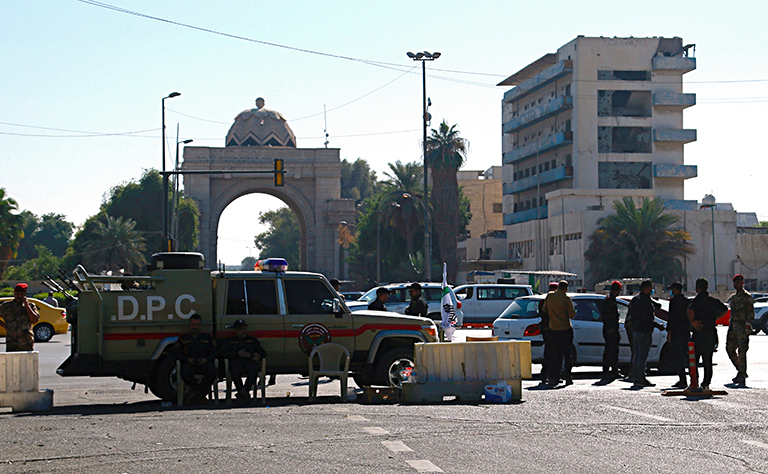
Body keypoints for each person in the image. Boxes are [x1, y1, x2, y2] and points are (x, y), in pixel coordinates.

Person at [688, 278, 728, 391]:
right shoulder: (713, 301)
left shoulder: (696, 301)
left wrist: (692, 323)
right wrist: (715, 318)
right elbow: (725, 309)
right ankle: (705, 384)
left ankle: (694, 383)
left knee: (694, 360)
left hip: (698, 333)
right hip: (710, 333)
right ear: (707, 287)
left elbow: (689, 311)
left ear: (697, 288)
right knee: (707, 361)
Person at [174, 314, 218, 403]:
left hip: (204, 363)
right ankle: (200, 394)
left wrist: (206, 359)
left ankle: (195, 393)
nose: (195, 327)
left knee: (213, 371)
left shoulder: (207, 338)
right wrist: (187, 360)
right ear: (189, 325)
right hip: (190, 364)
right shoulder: (183, 339)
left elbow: (215, 352)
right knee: (185, 371)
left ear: (200, 326)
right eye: (193, 325)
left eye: (197, 325)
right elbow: (176, 353)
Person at [221, 319, 267, 405]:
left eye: (244, 329)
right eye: (241, 329)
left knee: (254, 368)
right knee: (234, 369)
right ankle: (242, 392)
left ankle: (243, 391)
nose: (243, 331)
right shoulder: (231, 341)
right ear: (236, 330)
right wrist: (238, 354)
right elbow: (223, 353)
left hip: (249, 363)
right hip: (237, 362)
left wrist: (258, 356)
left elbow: (263, 353)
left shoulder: (252, 340)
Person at [541, 280, 575, 387]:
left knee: (555, 355)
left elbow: (544, 309)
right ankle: (568, 377)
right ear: (566, 289)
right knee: (567, 354)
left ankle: (554, 377)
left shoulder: (550, 297)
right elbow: (572, 315)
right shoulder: (566, 299)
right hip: (565, 329)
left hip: (553, 329)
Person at [628, 280, 658, 388]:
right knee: (642, 356)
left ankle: (637, 377)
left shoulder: (635, 299)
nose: (651, 290)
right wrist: (657, 325)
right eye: (650, 288)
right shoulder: (644, 301)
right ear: (646, 288)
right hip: (643, 331)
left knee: (637, 355)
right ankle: (640, 378)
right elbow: (646, 318)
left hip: (636, 330)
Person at [726, 274, 754, 386]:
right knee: (729, 349)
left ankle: (741, 375)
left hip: (742, 328)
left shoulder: (747, 297)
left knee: (742, 351)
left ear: (742, 283)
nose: (736, 284)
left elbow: (751, 313)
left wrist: (748, 326)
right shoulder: (733, 298)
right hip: (733, 327)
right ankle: (741, 370)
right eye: (735, 282)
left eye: (738, 282)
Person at [0, 283, 41, 352]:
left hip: (26, 341)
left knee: (27, 362)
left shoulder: (30, 306)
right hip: (12, 341)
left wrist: (27, 306)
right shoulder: (6, 306)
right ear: (14, 293)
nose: (19, 296)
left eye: (21, 294)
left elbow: (34, 320)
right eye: (17, 293)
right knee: (12, 361)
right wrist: (5, 326)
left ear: (25, 294)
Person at [666, 282, 691, 389]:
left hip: (676, 332)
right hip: (685, 331)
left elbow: (671, 318)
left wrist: (669, 333)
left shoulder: (674, 302)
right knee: (687, 355)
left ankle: (682, 380)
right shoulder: (687, 301)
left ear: (675, 290)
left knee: (678, 356)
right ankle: (693, 379)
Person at [599, 281, 622, 382]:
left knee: (614, 351)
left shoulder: (612, 300)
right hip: (610, 329)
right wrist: (609, 328)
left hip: (613, 328)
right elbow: (606, 316)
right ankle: (607, 371)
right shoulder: (609, 301)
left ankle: (613, 370)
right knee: (610, 351)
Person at [538, 282, 559, 381]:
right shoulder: (550, 301)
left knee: (549, 352)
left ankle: (546, 374)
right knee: (552, 352)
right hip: (551, 329)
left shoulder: (544, 301)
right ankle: (549, 374)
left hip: (547, 329)